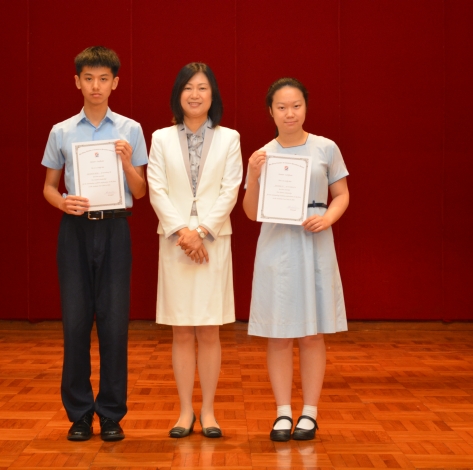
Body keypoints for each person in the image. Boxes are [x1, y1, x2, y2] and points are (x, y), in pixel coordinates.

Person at [41, 46, 148, 442]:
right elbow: (49, 187)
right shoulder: (62, 131)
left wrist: (126, 163)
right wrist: (62, 202)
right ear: (77, 82)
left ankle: (112, 414)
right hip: (75, 231)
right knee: (75, 323)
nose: (96, 86)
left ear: (115, 83)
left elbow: (140, 190)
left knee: (115, 324)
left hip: (116, 229)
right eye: (88, 78)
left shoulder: (131, 130)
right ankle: (80, 414)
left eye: (103, 79)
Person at [242, 77, 349, 442]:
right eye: (282, 107)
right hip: (277, 248)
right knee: (278, 334)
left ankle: (310, 413)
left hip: (315, 241)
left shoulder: (326, 147)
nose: (290, 113)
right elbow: (251, 212)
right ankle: (283, 412)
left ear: (306, 107)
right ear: (271, 112)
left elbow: (341, 194)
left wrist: (328, 218)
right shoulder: (262, 154)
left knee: (312, 333)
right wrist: (253, 174)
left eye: (296, 106)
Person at [147, 63, 243, 439]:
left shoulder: (229, 138)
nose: (195, 94)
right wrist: (183, 232)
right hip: (175, 242)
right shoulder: (160, 138)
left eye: (202, 87)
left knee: (209, 330)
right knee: (182, 331)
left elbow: (230, 189)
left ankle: (209, 411)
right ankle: (185, 411)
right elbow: (156, 188)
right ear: (178, 94)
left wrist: (201, 231)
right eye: (188, 87)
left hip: (212, 241)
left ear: (212, 94)